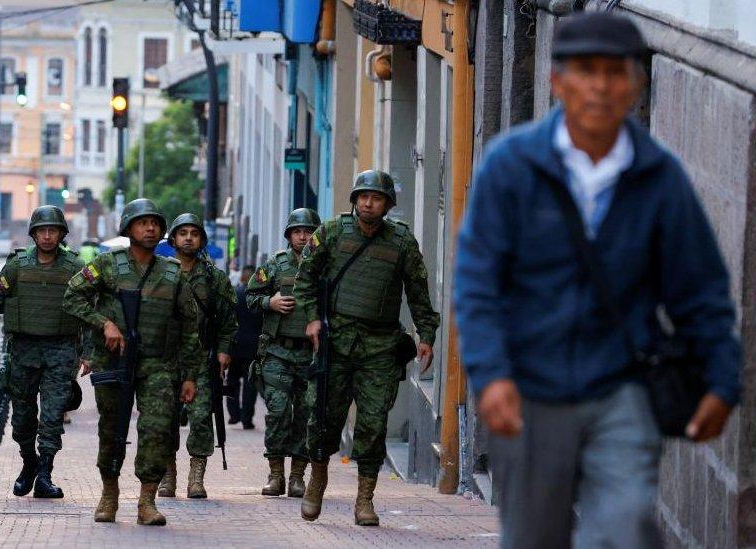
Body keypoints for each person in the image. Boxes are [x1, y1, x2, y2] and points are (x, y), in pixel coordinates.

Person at [453, 12, 741, 548]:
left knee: (624, 529)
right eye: (586, 70)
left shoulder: (660, 177)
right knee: (534, 538)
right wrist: (490, 374)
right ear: (558, 81)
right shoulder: (511, 167)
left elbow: (700, 291)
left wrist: (723, 381)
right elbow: (477, 284)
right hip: (529, 389)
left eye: (616, 73)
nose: (601, 86)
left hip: (621, 386)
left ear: (637, 85)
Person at [294, 171, 440, 526]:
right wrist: (312, 319)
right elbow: (305, 280)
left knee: (373, 424)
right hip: (336, 341)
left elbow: (418, 292)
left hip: (380, 346)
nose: (368, 202)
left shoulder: (402, 242)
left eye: (376, 197)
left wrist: (426, 335)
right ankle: (317, 480)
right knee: (323, 418)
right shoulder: (330, 232)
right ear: (355, 200)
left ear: (387, 204)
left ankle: (365, 498)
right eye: (363, 196)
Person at [62, 198, 202, 526]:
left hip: (157, 364)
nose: (150, 228)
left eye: (155, 223)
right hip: (114, 361)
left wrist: (190, 375)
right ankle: (109, 495)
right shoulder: (107, 264)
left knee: (157, 429)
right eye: (143, 223)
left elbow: (190, 326)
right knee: (111, 430)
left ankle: (147, 501)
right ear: (128, 229)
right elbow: (72, 297)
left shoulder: (172, 273)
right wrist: (104, 323)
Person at [0, 206, 89, 500]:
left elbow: (91, 310)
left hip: (61, 351)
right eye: (42, 230)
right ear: (34, 234)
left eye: (53, 230)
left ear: (62, 234)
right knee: (23, 418)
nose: (48, 236)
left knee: (52, 417)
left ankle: (45, 474)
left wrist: (89, 353)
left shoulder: (74, 267)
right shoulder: (17, 266)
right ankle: (29, 462)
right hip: (23, 351)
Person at [159, 213, 238, 499]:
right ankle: (168, 475)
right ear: (174, 239)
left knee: (201, 417)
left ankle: (196, 477)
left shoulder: (214, 278)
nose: (189, 237)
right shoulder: (161, 273)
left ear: (201, 240)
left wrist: (224, 350)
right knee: (165, 419)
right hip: (166, 359)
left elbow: (229, 319)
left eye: (194, 233)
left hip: (202, 358)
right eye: (183, 233)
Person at [246, 208, 321, 498]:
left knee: (305, 413)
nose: (302, 236)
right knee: (278, 411)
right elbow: (250, 296)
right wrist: (270, 303)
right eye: (297, 231)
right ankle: (275, 474)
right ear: (289, 235)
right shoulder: (275, 265)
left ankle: (298, 477)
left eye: (308, 231)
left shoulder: (324, 265)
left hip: (310, 355)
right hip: (277, 352)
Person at [227, 265, 261, 430]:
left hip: (234, 346)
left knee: (232, 381)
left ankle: (234, 415)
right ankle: (247, 419)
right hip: (253, 347)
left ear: (243, 277)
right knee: (250, 384)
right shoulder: (260, 297)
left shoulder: (234, 294)